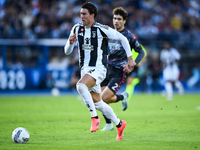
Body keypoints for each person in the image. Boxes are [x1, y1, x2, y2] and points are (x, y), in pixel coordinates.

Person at [64, 2, 135, 140]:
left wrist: (130, 58)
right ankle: (120, 124)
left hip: (99, 69)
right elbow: (67, 51)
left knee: (80, 85)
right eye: (80, 14)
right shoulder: (76, 28)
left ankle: (94, 118)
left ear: (92, 15)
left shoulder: (101, 29)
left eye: (84, 14)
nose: (82, 17)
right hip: (85, 69)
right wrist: (70, 43)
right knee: (99, 103)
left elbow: (123, 38)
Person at [100, 7, 145, 131]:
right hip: (107, 70)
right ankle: (109, 124)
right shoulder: (109, 33)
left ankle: (122, 97)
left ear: (124, 21)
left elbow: (141, 52)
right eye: (114, 18)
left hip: (119, 72)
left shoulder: (129, 36)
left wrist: (133, 63)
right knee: (99, 100)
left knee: (105, 98)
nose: (116, 21)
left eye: (119, 19)